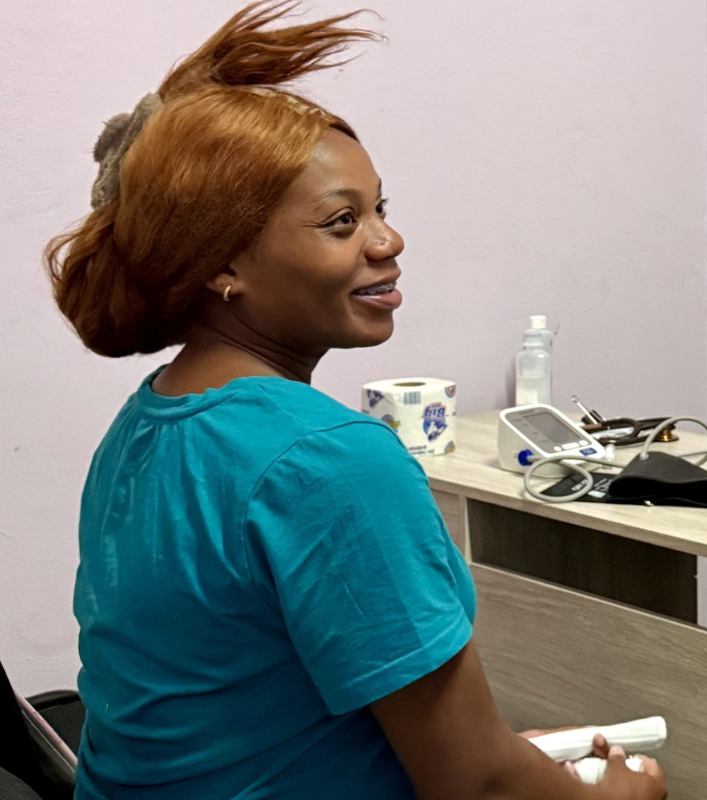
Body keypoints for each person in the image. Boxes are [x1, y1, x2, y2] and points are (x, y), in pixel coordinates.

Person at [46, 4, 667, 799]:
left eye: (381, 210)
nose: (387, 241)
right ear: (222, 264)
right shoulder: (328, 462)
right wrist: (614, 795)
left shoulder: (143, 426)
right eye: (342, 222)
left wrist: (500, 754)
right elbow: (477, 787)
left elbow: (240, 708)